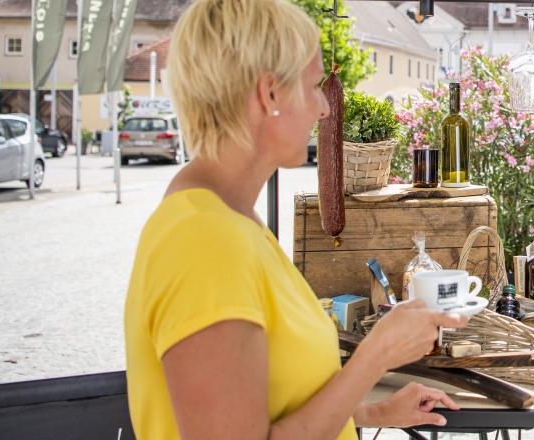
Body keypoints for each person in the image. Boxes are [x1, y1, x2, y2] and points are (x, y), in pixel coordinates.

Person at [123, 1, 466, 439]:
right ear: (270, 95)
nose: (324, 107)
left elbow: (268, 403)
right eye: (311, 86)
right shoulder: (205, 242)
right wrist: (373, 357)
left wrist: (374, 414)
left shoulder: (231, 221)